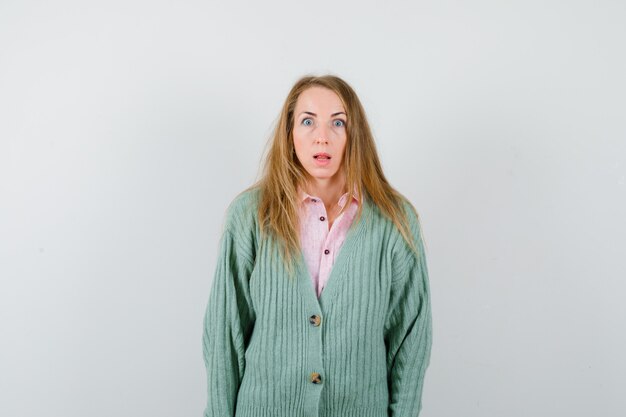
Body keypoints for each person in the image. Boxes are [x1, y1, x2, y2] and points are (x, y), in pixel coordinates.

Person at [202, 74, 432, 417]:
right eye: (307, 121)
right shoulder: (250, 216)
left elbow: (410, 345)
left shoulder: (395, 222)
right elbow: (225, 335)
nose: (321, 137)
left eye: (337, 123)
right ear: (290, 134)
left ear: (356, 136)